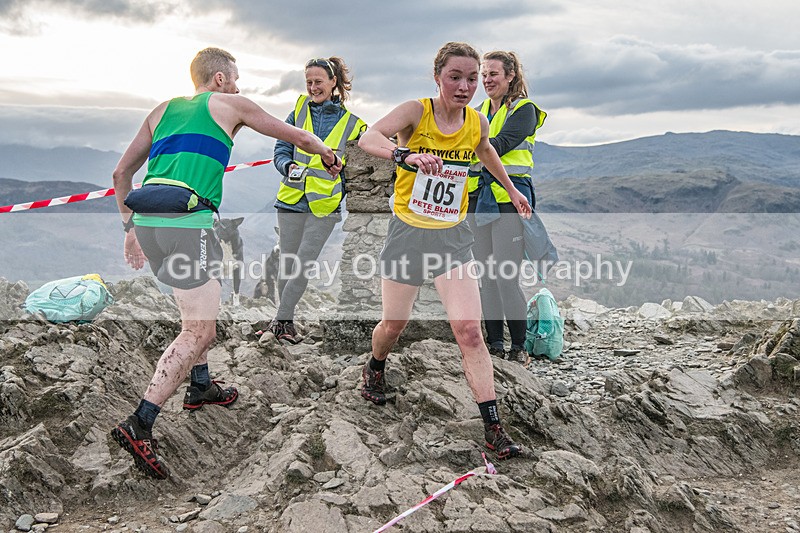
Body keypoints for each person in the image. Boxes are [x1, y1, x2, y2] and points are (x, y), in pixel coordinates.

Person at [111, 47, 341, 479]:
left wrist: (128, 229)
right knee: (199, 329)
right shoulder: (230, 103)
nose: (238, 87)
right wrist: (329, 157)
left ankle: (200, 386)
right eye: (234, 79)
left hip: (148, 225)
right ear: (218, 79)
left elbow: (121, 176)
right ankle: (140, 422)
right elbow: (298, 136)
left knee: (194, 313)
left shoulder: (161, 110)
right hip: (188, 225)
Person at [357, 42, 532, 460]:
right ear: (438, 77)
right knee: (393, 326)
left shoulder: (475, 121)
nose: (465, 86)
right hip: (408, 234)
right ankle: (376, 366)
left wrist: (512, 191)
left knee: (470, 332)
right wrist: (405, 154)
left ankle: (493, 428)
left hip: (452, 238)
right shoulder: (416, 112)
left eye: (472, 78)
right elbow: (369, 137)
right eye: (456, 77)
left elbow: (486, 150)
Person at [269, 56, 366, 344]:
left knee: (302, 263)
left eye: (318, 82)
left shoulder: (353, 124)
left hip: (324, 206)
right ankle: (285, 322)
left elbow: (360, 163)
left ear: (333, 82)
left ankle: (280, 321)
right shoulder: (297, 112)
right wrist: (287, 166)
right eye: (309, 82)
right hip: (290, 200)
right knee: (287, 263)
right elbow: (280, 150)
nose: (313, 87)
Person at [467, 51, 547, 364]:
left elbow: (496, 147)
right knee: (486, 276)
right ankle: (495, 345)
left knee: (505, 275)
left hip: (509, 200)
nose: (486, 80)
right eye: (483, 74)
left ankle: (519, 347)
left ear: (510, 75)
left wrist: (466, 146)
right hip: (477, 200)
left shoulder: (525, 110)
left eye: (493, 74)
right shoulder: (477, 112)